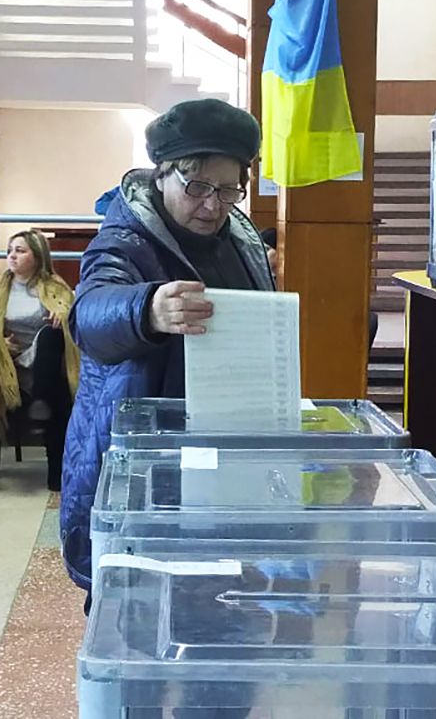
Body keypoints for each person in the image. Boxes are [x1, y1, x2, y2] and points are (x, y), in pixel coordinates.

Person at [60, 98, 277, 596]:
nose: (213, 205)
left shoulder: (238, 238)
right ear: (162, 175)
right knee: (133, 598)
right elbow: (87, 315)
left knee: (220, 593)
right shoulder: (125, 239)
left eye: (228, 190)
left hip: (220, 451)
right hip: (143, 461)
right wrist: (147, 309)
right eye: (197, 186)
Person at [0, 230, 80, 491]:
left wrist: (63, 317)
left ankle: (41, 402)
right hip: (14, 365)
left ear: (37, 256)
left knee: (50, 337)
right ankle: (56, 476)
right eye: (10, 251)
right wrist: (1, 342)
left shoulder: (55, 288)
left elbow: (75, 324)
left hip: (48, 363)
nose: (12, 256)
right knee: (58, 398)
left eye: (20, 251)